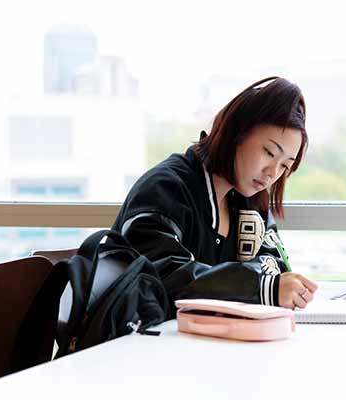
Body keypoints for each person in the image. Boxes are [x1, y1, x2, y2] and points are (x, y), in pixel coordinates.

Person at [111, 77, 317, 309]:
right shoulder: (166, 188)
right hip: (137, 341)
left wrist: (273, 287)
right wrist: (259, 287)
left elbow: (275, 269)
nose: (272, 173)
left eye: (285, 166)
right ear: (237, 133)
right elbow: (162, 277)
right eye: (269, 152)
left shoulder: (248, 200)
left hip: (204, 340)